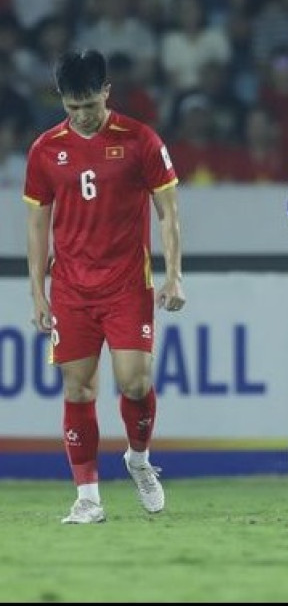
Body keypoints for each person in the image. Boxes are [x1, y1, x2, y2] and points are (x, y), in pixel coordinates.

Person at [23, 49, 185, 524]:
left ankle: (138, 458)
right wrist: (37, 291)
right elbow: (36, 226)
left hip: (125, 284)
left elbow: (168, 211)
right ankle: (88, 498)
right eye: (73, 108)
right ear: (62, 101)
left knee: (136, 380)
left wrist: (174, 273)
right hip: (72, 288)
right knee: (78, 391)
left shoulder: (140, 140)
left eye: (90, 105)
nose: (82, 116)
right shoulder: (45, 150)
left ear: (106, 93)